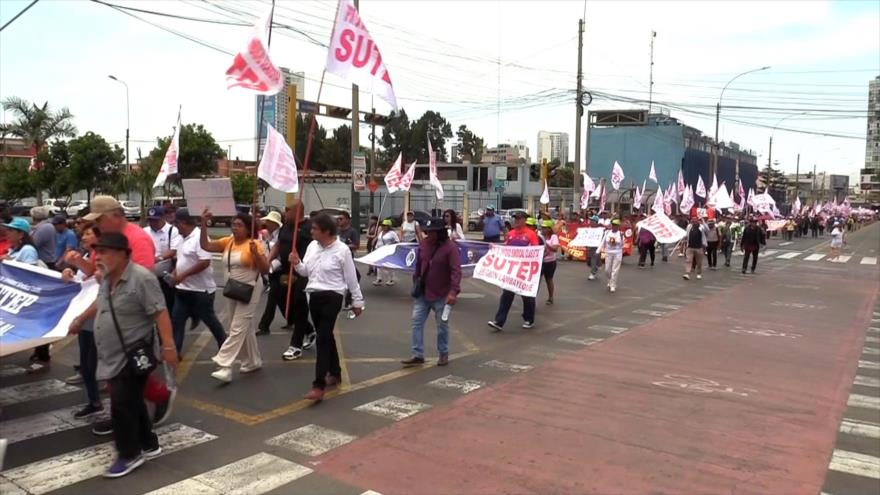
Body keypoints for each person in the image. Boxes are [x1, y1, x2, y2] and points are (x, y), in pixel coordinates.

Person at [68, 232, 178, 478]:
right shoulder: (108, 276)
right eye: (98, 251)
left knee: (120, 405)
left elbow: (160, 313)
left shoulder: (142, 279)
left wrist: (169, 348)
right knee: (133, 400)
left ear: (122, 254)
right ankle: (149, 443)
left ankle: (129, 454)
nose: (99, 257)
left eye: (104, 252)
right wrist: (80, 319)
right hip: (113, 352)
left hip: (133, 352)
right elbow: (100, 301)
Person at [82, 195, 175, 432]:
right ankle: (128, 420)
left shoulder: (138, 240)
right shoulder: (105, 239)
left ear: (115, 216)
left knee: (129, 375)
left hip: (132, 327)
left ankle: (153, 405)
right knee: (118, 376)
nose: (96, 226)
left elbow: (146, 289)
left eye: (100, 220)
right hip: (108, 317)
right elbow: (96, 272)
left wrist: (168, 345)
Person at [289, 213, 364, 401]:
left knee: (322, 338)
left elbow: (351, 278)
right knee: (326, 335)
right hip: (313, 295)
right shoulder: (312, 246)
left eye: (315, 229)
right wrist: (297, 262)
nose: (311, 231)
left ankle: (318, 384)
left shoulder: (342, 250)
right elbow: (306, 271)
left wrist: (357, 301)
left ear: (326, 231)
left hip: (333, 295)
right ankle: (335, 371)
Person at [199, 210, 269, 383]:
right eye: (233, 224)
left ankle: (225, 365)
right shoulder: (228, 242)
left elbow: (265, 269)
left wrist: (257, 254)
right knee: (243, 327)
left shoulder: (254, 244)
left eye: (239, 225)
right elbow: (206, 246)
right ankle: (252, 361)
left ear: (247, 229)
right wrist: (203, 225)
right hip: (232, 288)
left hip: (250, 288)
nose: (235, 228)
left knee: (237, 328)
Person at [401, 217, 461, 368]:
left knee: (442, 325)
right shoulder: (424, 244)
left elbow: (456, 271)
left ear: (441, 233)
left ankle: (443, 353)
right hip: (423, 292)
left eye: (432, 232)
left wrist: (453, 292)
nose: (429, 235)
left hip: (442, 293)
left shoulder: (450, 248)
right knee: (416, 322)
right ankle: (417, 354)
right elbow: (419, 264)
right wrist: (416, 280)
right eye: (428, 232)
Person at [167, 209, 227, 355]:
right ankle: (176, 353)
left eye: (176, 224)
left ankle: (224, 347)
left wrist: (183, 275)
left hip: (201, 292)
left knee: (211, 323)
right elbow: (181, 261)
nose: (175, 227)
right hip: (183, 290)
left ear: (182, 223)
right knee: (177, 321)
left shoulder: (200, 238)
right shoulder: (182, 238)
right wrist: (174, 274)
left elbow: (204, 262)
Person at [60, 225, 102, 418]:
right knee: (87, 364)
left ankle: (96, 402)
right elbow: (85, 277)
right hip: (85, 321)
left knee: (91, 364)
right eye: (83, 233)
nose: (83, 237)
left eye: (88, 233)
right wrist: (69, 270)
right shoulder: (89, 254)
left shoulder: (102, 257)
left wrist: (80, 318)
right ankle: (94, 400)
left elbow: (97, 281)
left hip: (95, 322)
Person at [268, 203, 317, 361]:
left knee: (300, 306)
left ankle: (295, 346)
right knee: (284, 305)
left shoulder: (310, 227)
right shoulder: (285, 226)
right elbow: (278, 244)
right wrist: (268, 260)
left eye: (288, 210)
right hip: (284, 272)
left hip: (303, 273)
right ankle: (309, 330)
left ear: (297, 211)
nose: (284, 212)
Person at [487, 211, 539, 331]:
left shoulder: (531, 234)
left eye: (519, 219)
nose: (516, 221)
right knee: (506, 295)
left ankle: (529, 318)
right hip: (512, 269)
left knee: (527, 296)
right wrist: (495, 247)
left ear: (524, 220)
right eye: (515, 218)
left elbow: (536, 251)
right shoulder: (510, 234)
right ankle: (499, 321)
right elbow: (506, 247)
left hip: (525, 270)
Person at [144, 207, 182, 316]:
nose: (153, 223)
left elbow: (173, 250)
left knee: (167, 305)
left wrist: (157, 259)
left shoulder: (172, 231)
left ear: (163, 218)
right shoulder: (145, 231)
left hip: (164, 276)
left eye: (155, 220)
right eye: (150, 220)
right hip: (148, 275)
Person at [255, 211, 284, 336]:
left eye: (269, 222)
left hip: (279, 270)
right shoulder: (270, 235)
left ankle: (264, 325)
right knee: (281, 299)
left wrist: (271, 265)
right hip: (272, 270)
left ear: (274, 223)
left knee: (273, 298)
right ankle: (292, 319)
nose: (266, 223)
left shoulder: (280, 236)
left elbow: (281, 255)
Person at [336, 210, 361, 309]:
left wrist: (344, 246)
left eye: (341, 219)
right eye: (338, 219)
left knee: (355, 277)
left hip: (348, 260)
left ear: (347, 220)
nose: (339, 221)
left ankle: (348, 301)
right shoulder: (336, 231)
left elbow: (356, 245)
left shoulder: (352, 231)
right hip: (336, 259)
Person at [600, 219, 624, 293]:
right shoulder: (607, 233)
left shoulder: (620, 234)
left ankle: (613, 285)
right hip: (608, 252)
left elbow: (622, 245)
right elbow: (603, 242)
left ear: (618, 226)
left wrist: (620, 239)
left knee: (615, 270)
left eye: (616, 225)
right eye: (613, 225)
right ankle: (610, 280)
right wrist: (599, 251)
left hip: (617, 253)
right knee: (607, 270)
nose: (614, 226)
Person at [374, 219, 399, 286]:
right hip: (379, 250)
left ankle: (391, 279)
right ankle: (379, 279)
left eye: (385, 225)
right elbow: (379, 241)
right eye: (383, 225)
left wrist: (390, 244)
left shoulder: (392, 233)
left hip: (388, 251)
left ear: (389, 226)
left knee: (388, 265)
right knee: (378, 264)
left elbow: (397, 241)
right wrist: (376, 247)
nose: (383, 227)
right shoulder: (381, 232)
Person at [683, 216, 709, 280]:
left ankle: (699, 273)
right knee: (688, 260)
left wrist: (703, 222)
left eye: (695, 219)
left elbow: (707, 231)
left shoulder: (701, 227)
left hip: (699, 247)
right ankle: (687, 273)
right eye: (692, 219)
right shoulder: (689, 226)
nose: (693, 221)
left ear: (697, 220)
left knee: (699, 262)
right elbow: (686, 234)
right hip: (690, 247)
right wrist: (685, 240)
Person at [539, 220, 558, 304]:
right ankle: (532, 299)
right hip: (540, 262)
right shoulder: (539, 236)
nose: (543, 229)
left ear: (549, 229)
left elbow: (555, 249)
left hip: (550, 262)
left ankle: (551, 297)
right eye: (542, 227)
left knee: (548, 280)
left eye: (545, 228)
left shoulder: (553, 237)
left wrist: (546, 244)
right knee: (537, 281)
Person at [586, 215, 603, 281]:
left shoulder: (600, 230)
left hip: (596, 247)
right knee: (588, 262)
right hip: (589, 247)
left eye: (592, 221)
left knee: (593, 260)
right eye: (591, 220)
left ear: (596, 222)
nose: (591, 222)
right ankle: (597, 266)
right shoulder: (588, 229)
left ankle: (592, 274)